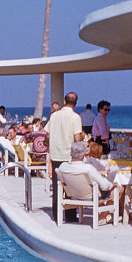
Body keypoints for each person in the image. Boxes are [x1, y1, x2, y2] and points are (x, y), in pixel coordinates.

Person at [57, 140, 119, 218]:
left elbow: (61, 182)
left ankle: (105, 216)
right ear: (83, 154)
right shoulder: (88, 168)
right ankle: (102, 217)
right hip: (90, 197)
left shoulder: (62, 166)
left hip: (74, 195)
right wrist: (112, 184)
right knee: (119, 188)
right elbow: (104, 186)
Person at [47, 91, 84, 222]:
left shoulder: (54, 116)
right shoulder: (75, 117)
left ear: (64, 101)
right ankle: (70, 215)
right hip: (69, 156)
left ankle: (56, 214)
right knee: (70, 187)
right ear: (76, 103)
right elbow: (77, 138)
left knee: (57, 186)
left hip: (56, 155)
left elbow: (47, 134)